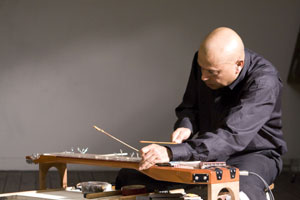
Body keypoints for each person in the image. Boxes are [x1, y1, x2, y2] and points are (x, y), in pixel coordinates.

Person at [116, 27, 287, 200]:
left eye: (212, 72)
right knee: (130, 177)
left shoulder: (264, 82)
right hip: (208, 153)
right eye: (201, 68)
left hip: (253, 155)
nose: (204, 76)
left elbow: (231, 137)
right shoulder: (205, 63)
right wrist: (186, 125)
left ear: (238, 65)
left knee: (233, 195)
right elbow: (190, 107)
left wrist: (171, 152)